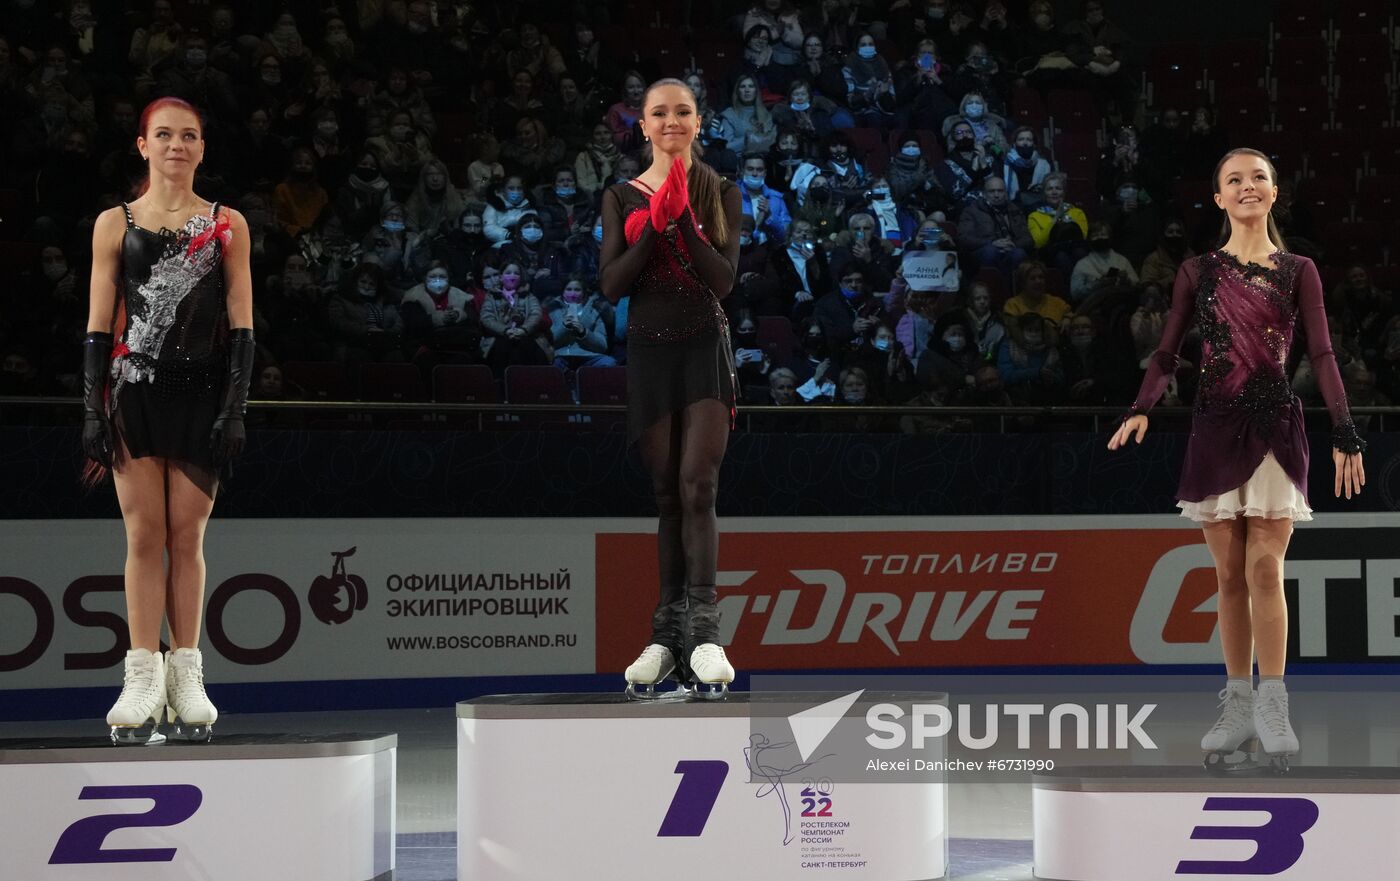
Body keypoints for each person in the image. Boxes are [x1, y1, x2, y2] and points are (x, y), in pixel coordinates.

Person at [1109, 148, 1366, 770]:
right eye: (1233, 179)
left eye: (1258, 178)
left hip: (1276, 427)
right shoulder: (1197, 272)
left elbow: (1325, 355)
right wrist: (1141, 404)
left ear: (1275, 192)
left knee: (1263, 571)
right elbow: (1168, 353)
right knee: (1226, 577)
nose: (1247, 186)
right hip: (1213, 429)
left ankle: (1274, 701)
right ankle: (1238, 702)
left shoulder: (1300, 269)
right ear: (1219, 198)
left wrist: (1346, 430)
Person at [81, 98, 252, 745]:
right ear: (143, 145)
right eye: (164, 135)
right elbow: (98, 328)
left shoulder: (226, 223)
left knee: (188, 534)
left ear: (202, 148)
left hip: (202, 393)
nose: (177, 144)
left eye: (189, 136)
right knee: (143, 533)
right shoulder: (114, 224)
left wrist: (235, 408)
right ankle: (141, 674)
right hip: (135, 392)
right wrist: (92, 410)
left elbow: (242, 326)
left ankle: (187, 672)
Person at [599, 77, 742, 699]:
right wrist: (652, 225)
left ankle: (705, 631)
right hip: (649, 354)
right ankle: (665, 637)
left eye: (683, 112)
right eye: (660, 113)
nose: (672, 122)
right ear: (644, 125)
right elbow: (611, 286)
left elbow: (723, 280)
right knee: (665, 495)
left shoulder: (721, 191)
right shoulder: (620, 196)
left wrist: (681, 216)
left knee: (698, 484)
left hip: (704, 349)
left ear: (698, 122)